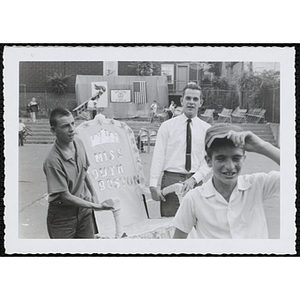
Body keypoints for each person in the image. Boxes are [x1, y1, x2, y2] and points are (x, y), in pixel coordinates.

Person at [172, 123, 280, 239]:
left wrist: (262, 146)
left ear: (244, 159)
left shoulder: (258, 184)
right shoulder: (194, 198)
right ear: (208, 161)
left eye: (236, 158)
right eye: (221, 158)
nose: (230, 166)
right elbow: (177, 244)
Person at [43, 107, 114, 238]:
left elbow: (84, 172)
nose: (71, 129)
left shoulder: (78, 142)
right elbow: (65, 196)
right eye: (65, 126)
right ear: (54, 130)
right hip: (62, 217)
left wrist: (93, 194)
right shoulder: (52, 160)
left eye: (72, 123)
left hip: (84, 212)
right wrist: (96, 206)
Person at [149, 83, 211, 217]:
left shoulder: (207, 129)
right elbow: (159, 156)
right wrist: (153, 184)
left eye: (195, 99)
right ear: (182, 100)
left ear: (201, 103)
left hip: (195, 181)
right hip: (171, 180)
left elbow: (209, 161)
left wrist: (194, 179)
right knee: (170, 224)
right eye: (188, 98)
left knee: (197, 225)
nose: (191, 102)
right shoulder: (167, 126)